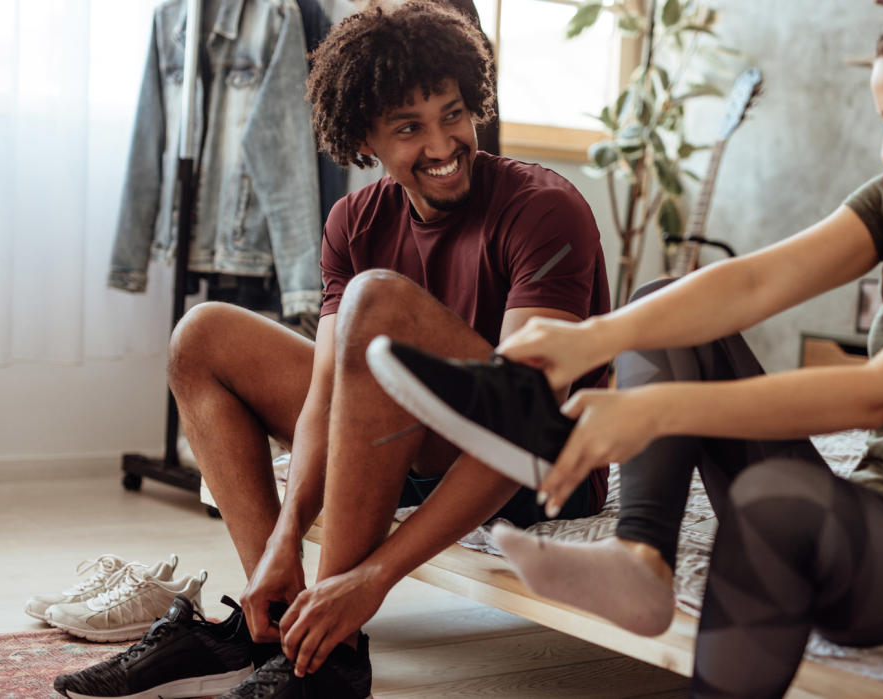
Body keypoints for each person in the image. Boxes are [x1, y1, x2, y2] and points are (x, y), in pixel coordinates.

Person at [367, 1, 883, 696]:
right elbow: (756, 279)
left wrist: (654, 411)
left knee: (779, 501)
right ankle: (639, 554)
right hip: (874, 507)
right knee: (655, 304)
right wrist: (591, 336)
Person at [53, 2, 610, 698]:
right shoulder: (354, 219)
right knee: (202, 335)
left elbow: (523, 419)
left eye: (453, 114)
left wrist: (371, 579)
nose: (442, 144)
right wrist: (286, 538)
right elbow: (326, 397)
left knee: (374, 304)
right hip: (419, 433)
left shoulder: (542, 205)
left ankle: (334, 648)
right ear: (364, 139)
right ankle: (278, 622)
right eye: (409, 128)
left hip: (537, 468)